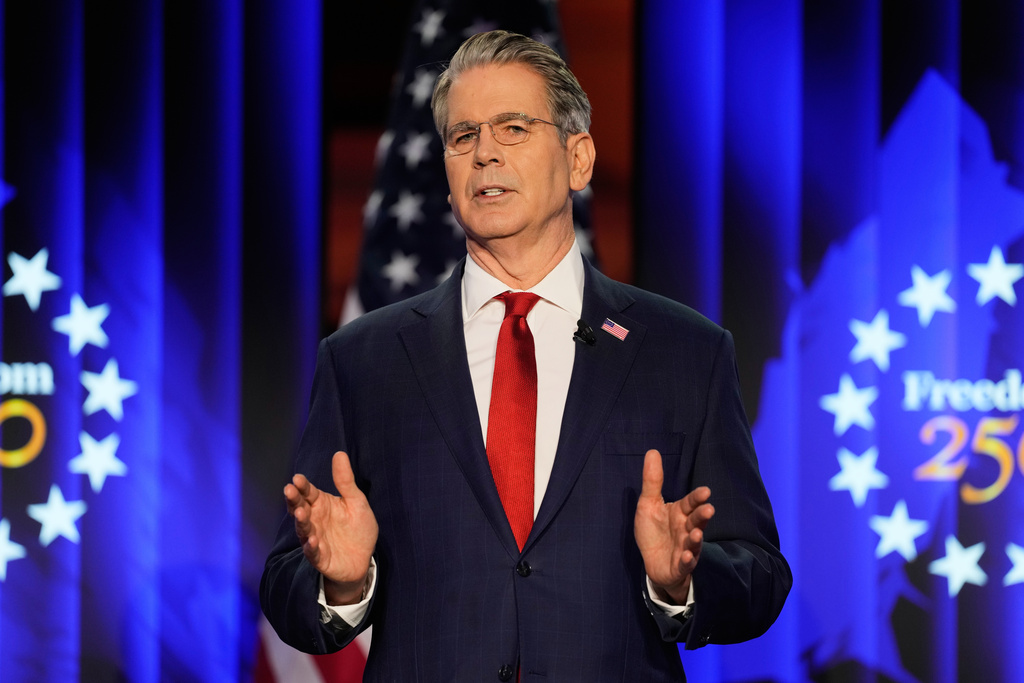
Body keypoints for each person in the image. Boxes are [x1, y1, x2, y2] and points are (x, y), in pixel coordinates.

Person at [261, 30, 791, 682]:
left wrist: (679, 579)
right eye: (463, 136)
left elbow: (761, 572)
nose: (484, 152)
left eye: (513, 127)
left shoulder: (685, 352)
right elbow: (285, 582)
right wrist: (341, 583)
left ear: (579, 159)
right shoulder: (363, 360)